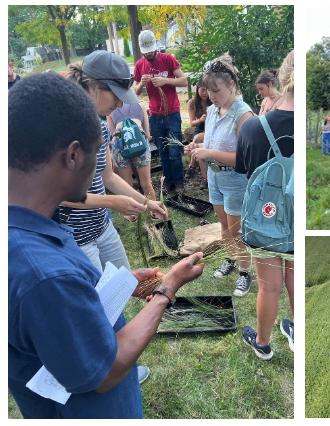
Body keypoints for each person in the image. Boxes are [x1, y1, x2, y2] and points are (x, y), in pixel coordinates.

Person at [9, 72, 205, 419]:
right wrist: (168, 287)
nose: (99, 169)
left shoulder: (29, 230)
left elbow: (62, 313)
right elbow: (106, 370)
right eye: (97, 155)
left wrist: (121, 282)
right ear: (72, 156)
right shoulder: (44, 276)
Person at [63, 51, 167, 271]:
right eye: (116, 95)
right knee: (98, 301)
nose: (120, 105)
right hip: (76, 237)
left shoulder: (101, 125)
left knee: (122, 286)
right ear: (93, 88)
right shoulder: (64, 130)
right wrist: (113, 203)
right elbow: (59, 196)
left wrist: (147, 203)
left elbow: (108, 177)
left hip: (102, 226)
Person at [236, 50, 295, 360]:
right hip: (300, 225)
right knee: (295, 279)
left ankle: (263, 343)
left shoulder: (253, 128)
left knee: (269, 286)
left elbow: (243, 171)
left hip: (267, 223)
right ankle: (298, 331)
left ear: (281, 80)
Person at [185, 53, 254, 297]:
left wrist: (210, 151)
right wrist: (197, 145)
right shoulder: (214, 110)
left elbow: (244, 160)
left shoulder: (244, 115)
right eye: (208, 90)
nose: (211, 96)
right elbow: (211, 138)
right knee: (224, 225)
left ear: (231, 85)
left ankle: (245, 272)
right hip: (215, 177)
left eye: (216, 91)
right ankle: (230, 258)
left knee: (237, 231)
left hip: (235, 180)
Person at [133, 30, 188, 193]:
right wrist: (141, 84)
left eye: (151, 50)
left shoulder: (168, 59)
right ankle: (168, 181)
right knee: (162, 152)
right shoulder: (139, 65)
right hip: (155, 115)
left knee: (174, 150)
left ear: (155, 47)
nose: (148, 54)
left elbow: (184, 81)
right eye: (145, 51)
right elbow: (135, 92)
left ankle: (179, 182)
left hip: (172, 113)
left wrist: (165, 80)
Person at [106, 102, 157, 206]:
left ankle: (132, 214)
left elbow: (112, 135)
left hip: (119, 142)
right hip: (139, 141)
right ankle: (155, 211)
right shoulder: (140, 105)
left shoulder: (110, 108)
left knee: (127, 184)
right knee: (146, 183)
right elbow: (147, 134)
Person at [186, 79, 212, 188]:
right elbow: (192, 123)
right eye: (202, 90)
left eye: (207, 90)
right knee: (196, 138)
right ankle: (199, 172)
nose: (204, 93)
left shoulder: (213, 100)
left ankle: (192, 166)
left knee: (197, 140)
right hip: (199, 126)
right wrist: (201, 119)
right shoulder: (193, 102)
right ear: (197, 90)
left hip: (211, 127)